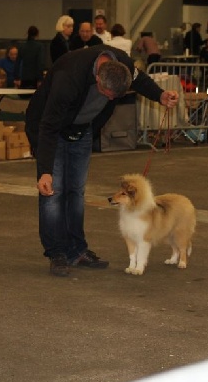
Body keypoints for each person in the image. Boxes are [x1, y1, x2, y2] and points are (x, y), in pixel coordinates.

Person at [24, 44, 180, 277]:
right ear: (98, 77)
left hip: (82, 131)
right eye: (107, 95)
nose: (109, 100)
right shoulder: (68, 77)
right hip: (51, 129)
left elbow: (140, 80)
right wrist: (45, 170)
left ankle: (77, 250)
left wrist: (159, 95)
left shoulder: (123, 65)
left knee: (76, 192)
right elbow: (47, 126)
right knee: (53, 193)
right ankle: (57, 252)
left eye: (115, 97)